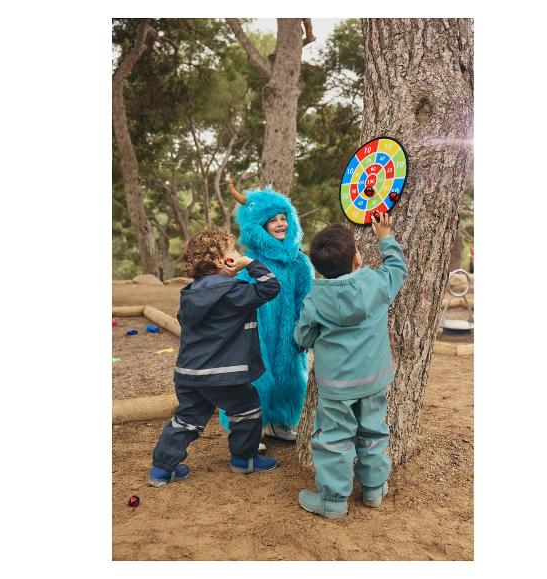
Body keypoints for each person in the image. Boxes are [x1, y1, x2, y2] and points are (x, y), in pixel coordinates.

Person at [293, 213, 408, 518]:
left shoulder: (315, 299)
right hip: (374, 380)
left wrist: (309, 335)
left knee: (333, 440)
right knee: (373, 432)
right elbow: (397, 268)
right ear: (357, 258)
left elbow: (302, 336)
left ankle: (333, 502)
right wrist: (385, 237)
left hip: (335, 388)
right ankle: (373, 490)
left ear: (318, 268)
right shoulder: (376, 282)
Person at [148, 229, 281, 486]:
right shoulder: (232, 292)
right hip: (224, 376)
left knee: (186, 419)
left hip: (188, 374)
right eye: (233, 251)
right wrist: (251, 263)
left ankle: (161, 469)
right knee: (247, 409)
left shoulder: (190, 294)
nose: (238, 255)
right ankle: (244, 459)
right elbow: (270, 287)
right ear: (222, 261)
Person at [217, 181, 314, 445]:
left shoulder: (298, 260)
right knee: (257, 378)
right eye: (273, 220)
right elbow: (238, 298)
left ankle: (279, 422)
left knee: (290, 375)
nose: (281, 224)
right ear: (259, 225)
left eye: (284, 218)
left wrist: (302, 330)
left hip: (289, 332)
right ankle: (250, 429)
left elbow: (305, 297)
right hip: (256, 330)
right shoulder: (248, 260)